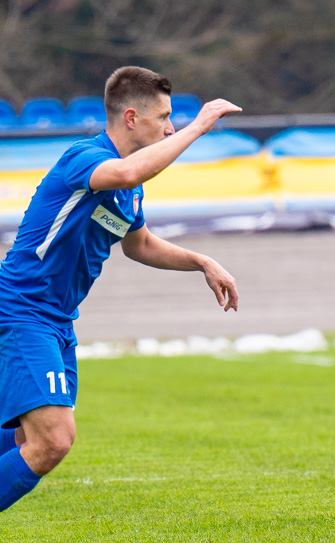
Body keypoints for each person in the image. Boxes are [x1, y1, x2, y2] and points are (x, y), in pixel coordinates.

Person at [0, 66, 242, 512]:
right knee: (52, 440)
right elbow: (128, 172)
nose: (171, 126)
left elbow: (140, 244)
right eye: (164, 117)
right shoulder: (85, 159)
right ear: (131, 118)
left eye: (175, 119)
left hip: (55, 320)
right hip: (20, 312)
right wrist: (198, 128)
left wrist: (202, 262)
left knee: (20, 437)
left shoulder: (129, 191)